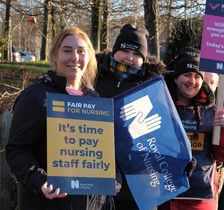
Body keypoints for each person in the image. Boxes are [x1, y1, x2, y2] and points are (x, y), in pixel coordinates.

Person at [6, 27, 119, 210]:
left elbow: (105, 152)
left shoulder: (95, 100)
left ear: (89, 57)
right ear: (55, 54)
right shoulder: (36, 96)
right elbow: (17, 150)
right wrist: (40, 181)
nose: (75, 57)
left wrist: (114, 178)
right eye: (67, 50)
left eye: (81, 51)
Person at [94, 23, 167, 209]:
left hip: (139, 178)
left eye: (137, 54)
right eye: (125, 50)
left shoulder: (153, 88)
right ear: (114, 50)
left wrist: (180, 159)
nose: (129, 58)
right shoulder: (93, 78)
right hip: (97, 170)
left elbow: (164, 129)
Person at [159, 48, 224, 210]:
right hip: (166, 195)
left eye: (197, 76)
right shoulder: (161, 107)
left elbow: (223, 155)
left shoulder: (212, 111)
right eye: (187, 75)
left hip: (200, 197)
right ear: (176, 78)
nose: (192, 81)